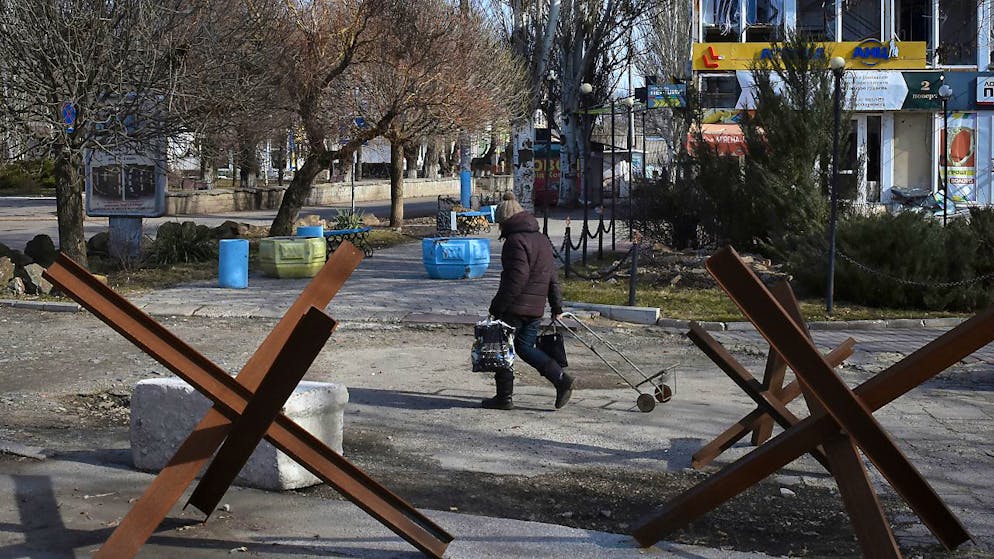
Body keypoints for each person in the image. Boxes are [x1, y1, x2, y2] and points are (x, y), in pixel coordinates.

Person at [484, 191, 574, 410]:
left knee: (502, 350)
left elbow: (516, 278)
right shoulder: (541, 239)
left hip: (515, 308)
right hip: (535, 308)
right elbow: (552, 276)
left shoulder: (515, 241)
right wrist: (556, 306)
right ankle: (560, 378)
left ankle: (504, 398)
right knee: (524, 347)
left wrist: (497, 308)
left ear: (505, 221)